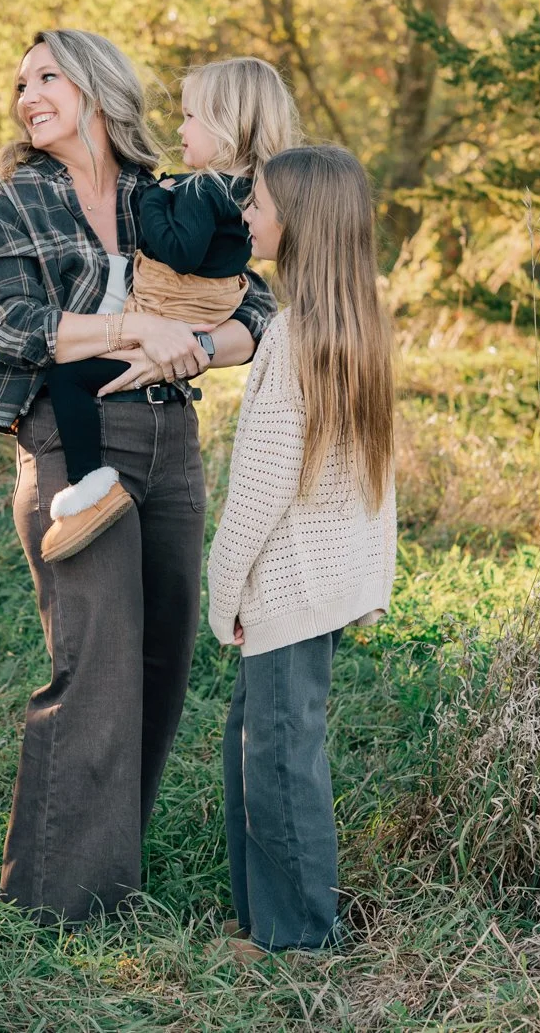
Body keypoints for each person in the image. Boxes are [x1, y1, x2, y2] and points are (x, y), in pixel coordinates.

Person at [0, 30, 276, 924]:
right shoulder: (12, 200)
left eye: (47, 76)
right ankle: (58, 906)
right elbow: (14, 324)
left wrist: (200, 345)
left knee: (163, 658)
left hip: (172, 432)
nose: (27, 94)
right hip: (69, 433)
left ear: (97, 88)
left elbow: (258, 302)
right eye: (19, 82)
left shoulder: (161, 196)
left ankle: (109, 874)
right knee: (94, 657)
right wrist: (137, 329)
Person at [206, 145, 398, 958]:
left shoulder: (292, 336)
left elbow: (259, 486)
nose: (246, 215)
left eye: (257, 203)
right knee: (263, 741)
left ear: (299, 222)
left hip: (286, 585)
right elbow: (378, 478)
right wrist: (372, 577)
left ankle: (297, 939)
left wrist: (224, 588)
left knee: (278, 759)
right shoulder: (355, 325)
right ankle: (263, 919)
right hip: (322, 581)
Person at [39, 57, 300, 560]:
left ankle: (89, 487)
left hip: (169, 316)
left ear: (224, 122)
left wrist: (153, 200)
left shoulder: (202, 188)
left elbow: (178, 251)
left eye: (189, 117)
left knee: (69, 379)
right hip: (200, 320)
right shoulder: (252, 195)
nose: (179, 129)